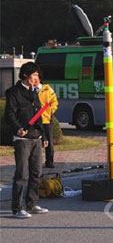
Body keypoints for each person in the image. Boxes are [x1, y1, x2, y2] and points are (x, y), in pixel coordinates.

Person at [5, 62, 49, 219]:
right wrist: (18, 128)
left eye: (38, 75)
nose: (37, 78)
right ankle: (17, 208)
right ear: (25, 75)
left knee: (36, 172)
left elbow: (39, 115)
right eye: (34, 75)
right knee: (21, 174)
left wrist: (43, 135)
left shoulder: (34, 93)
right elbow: (9, 114)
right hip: (22, 139)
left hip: (36, 137)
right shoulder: (14, 92)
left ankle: (32, 203)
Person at [33, 70, 58, 168]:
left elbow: (54, 102)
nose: (33, 80)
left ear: (40, 79)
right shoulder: (29, 90)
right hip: (34, 120)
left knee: (49, 142)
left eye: (36, 77)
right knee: (35, 141)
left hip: (46, 119)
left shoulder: (47, 89)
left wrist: (50, 111)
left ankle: (49, 161)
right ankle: (34, 162)